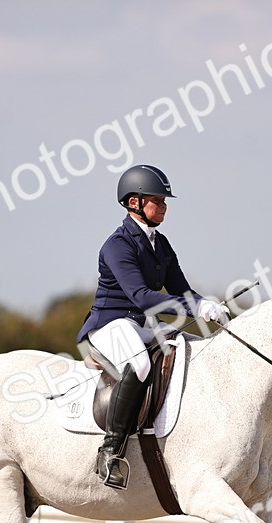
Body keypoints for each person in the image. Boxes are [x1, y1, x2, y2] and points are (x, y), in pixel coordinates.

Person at [76, 164, 230, 489]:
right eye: (157, 200)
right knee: (141, 363)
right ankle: (110, 452)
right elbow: (143, 297)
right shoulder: (117, 245)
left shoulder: (161, 244)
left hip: (144, 326)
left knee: (192, 351)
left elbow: (181, 291)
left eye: (164, 201)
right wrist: (195, 307)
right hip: (110, 324)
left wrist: (206, 303)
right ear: (134, 202)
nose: (164, 207)